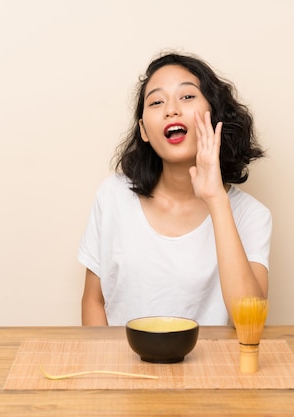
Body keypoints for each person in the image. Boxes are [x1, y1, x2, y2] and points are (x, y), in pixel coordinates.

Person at [78, 51, 272, 326]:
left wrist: (216, 199)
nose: (171, 109)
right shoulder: (112, 196)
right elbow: (94, 301)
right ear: (144, 130)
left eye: (187, 97)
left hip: (213, 370)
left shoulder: (252, 215)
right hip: (122, 369)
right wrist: (102, 368)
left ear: (214, 115)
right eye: (156, 101)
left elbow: (250, 324)